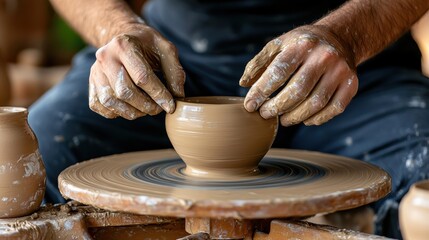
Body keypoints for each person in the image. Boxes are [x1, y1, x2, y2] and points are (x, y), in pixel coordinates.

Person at [29, 0, 429, 238]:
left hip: (351, 65)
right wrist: (117, 28)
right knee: (31, 160)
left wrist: (349, 36)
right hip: (172, 69)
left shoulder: (349, 48)